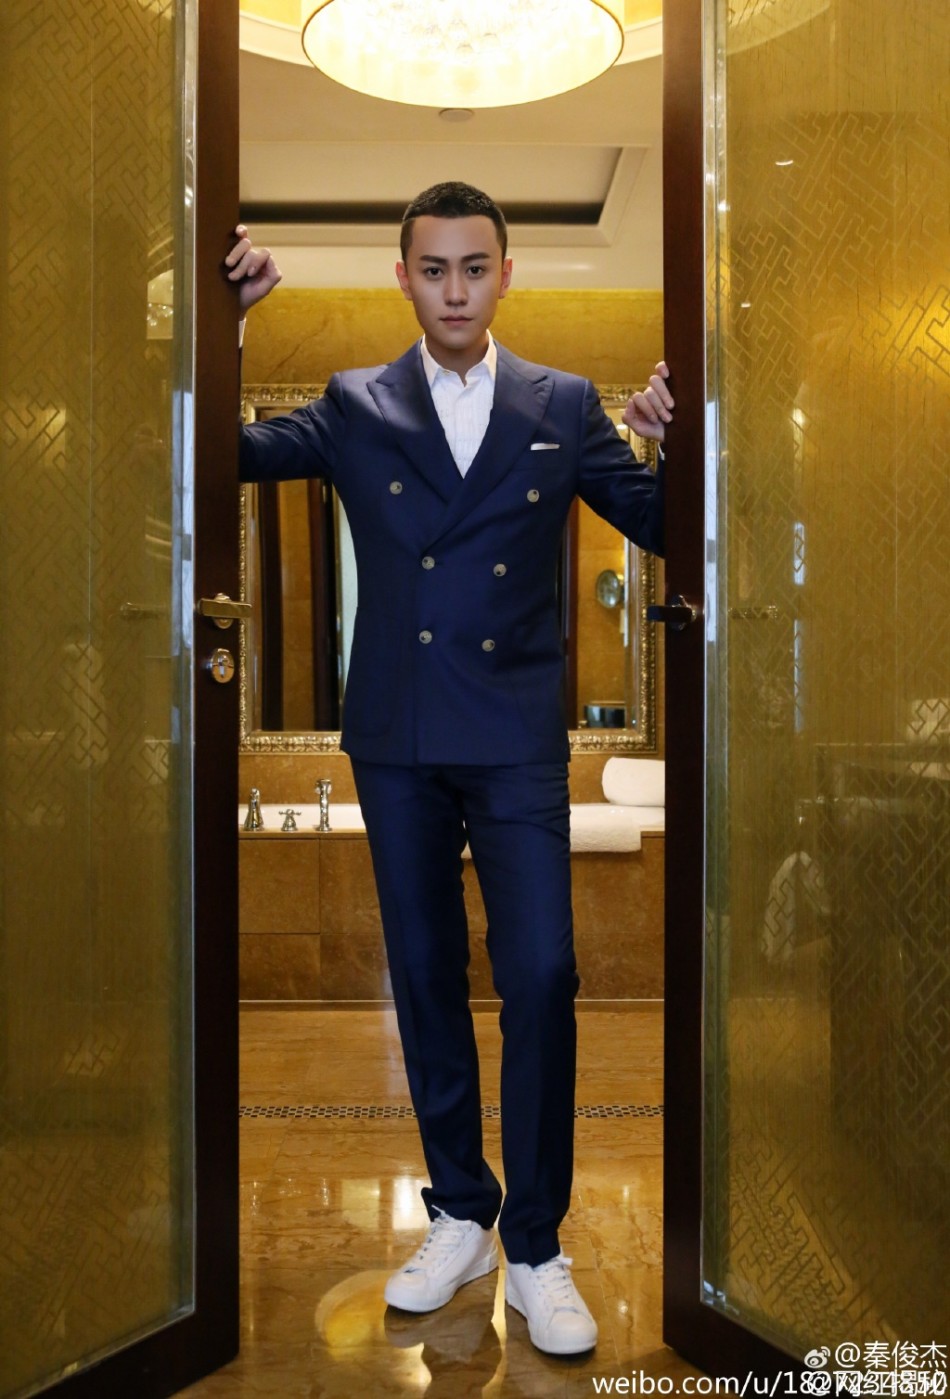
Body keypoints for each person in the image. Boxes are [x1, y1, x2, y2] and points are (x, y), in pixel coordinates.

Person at [227, 182, 674, 1357]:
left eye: (475, 267)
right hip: (399, 735)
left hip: (516, 737)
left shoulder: (562, 403)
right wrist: (225, 331)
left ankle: (535, 1244)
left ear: (504, 274)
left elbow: (664, 523)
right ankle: (461, 1214)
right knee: (425, 975)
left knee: (540, 975)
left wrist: (676, 439)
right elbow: (219, 453)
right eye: (433, 269)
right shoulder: (354, 403)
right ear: (404, 278)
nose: (456, 290)